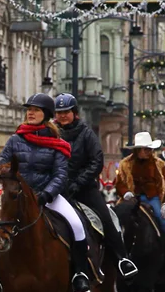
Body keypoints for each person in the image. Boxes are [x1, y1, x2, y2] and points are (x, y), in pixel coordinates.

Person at [0, 94, 92, 292]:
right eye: (29, 109)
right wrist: (4, 177)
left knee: (77, 226)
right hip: (16, 198)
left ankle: (80, 274)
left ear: (46, 115)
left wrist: (46, 194)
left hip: (47, 196)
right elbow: (3, 165)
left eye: (36, 110)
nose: (30, 113)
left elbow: (60, 174)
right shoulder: (14, 140)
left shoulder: (56, 142)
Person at [53, 93, 137, 278]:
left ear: (74, 113)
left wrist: (78, 182)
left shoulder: (86, 133)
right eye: (59, 112)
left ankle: (122, 259)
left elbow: (96, 162)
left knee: (106, 219)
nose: (62, 116)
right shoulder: (50, 133)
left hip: (84, 189)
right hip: (56, 189)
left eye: (66, 112)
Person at [114, 132, 165, 263]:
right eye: (146, 149)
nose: (149, 152)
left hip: (152, 198)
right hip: (131, 199)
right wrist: (125, 192)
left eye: (150, 149)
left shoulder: (159, 164)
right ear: (138, 150)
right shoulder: (125, 164)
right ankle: (114, 254)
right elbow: (119, 183)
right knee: (116, 223)